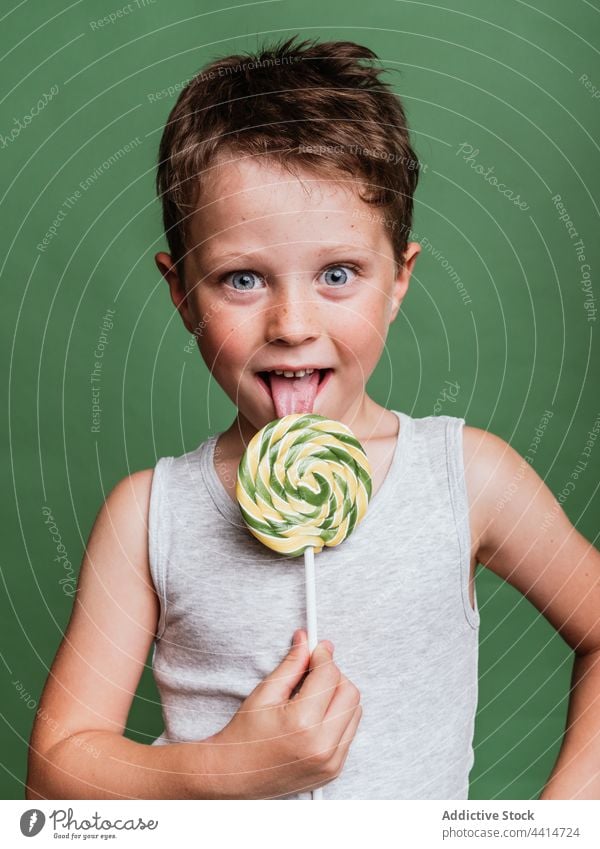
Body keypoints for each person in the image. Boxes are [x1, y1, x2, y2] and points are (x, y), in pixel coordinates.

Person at [26, 36, 600, 801]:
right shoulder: (148, 516)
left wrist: (558, 822)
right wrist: (224, 768)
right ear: (181, 293)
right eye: (241, 278)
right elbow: (55, 772)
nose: (292, 323)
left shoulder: (468, 477)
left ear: (399, 278)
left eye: (338, 273)